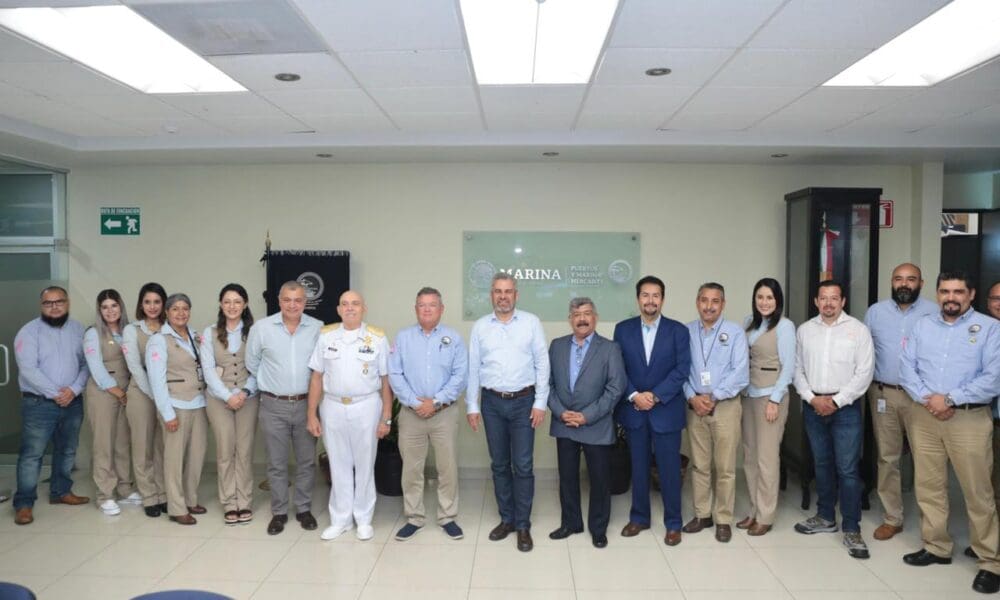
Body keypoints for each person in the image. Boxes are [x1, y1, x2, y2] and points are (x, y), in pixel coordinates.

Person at [900, 272, 1000, 594]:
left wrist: (950, 399)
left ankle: (990, 561)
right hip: (925, 415)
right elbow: (906, 367)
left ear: (971, 295)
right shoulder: (922, 326)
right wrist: (928, 399)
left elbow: (994, 377)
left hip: (968, 419)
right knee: (929, 485)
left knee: (977, 492)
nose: (951, 297)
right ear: (937, 294)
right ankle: (936, 546)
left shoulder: (991, 329)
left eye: (958, 292)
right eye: (945, 291)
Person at [467, 272, 550, 552]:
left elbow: (542, 363)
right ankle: (507, 519)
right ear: (491, 295)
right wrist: (472, 405)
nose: (503, 296)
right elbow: (473, 367)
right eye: (498, 291)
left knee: (523, 465)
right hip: (491, 403)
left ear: (516, 295)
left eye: (508, 291)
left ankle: (523, 525)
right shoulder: (480, 326)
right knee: (499, 464)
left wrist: (540, 402)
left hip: (524, 402)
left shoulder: (531, 322)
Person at [792, 280, 874, 559]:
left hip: (846, 409)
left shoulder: (858, 330)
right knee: (822, 463)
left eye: (834, 298)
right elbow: (797, 370)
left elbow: (864, 373)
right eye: (823, 298)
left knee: (848, 469)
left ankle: (852, 528)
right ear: (816, 301)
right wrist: (811, 398)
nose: (828, 303)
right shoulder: (805, 330)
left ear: (843, 301)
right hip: (813, 406)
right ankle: (825, 516)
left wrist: (836, 401)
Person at [307, 290, 393, 541]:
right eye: (344, 304)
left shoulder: (377, 338)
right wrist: (311, 414)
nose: (350, 308)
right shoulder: (326, 336)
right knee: (337, 463)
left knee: (365, 464)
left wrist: (386, 417)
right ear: (338, 309)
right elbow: (316, 377)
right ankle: (340, 519)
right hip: (332, 406)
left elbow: (386, 381)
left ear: (364, 308)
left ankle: (364, 519)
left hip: (366, 405)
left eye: (355, 304)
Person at [613, 275, 691, 546]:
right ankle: (639, 518)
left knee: (670, 470)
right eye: (645, 295)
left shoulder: (678, 331)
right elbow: (618, 368)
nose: (650, 300)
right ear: (638, 299)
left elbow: (682, 369)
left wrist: (655, 396)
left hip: (666, 410)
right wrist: (635, 395)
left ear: (663, 299)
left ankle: (673, 523)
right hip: (634, 409)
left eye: (655, 295)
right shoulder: (623, 330)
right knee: (638, 468)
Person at [388, 287, 468, 541]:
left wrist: (435, 402)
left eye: (432, 305)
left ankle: (447, 517)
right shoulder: (403, 338)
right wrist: (415, 403)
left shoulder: (454, 338)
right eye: (422, 305)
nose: (427, 309)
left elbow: (460, 376)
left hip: (444, 413)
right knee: (411, 469)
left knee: (447, 468)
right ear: (415, 309)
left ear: (441, 309)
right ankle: (414, 517)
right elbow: (395, 374)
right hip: (411, 415)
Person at [863, 263, 937, 541]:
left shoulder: (934, 312)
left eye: (911, 279)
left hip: (922, 397)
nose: (904, 284)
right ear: (891, 282)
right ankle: (892, 518)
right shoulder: (875, 312)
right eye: (898, 279)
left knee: (927, 460)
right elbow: (864, 351)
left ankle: (932, 524)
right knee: (887, 457)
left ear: (921, 283)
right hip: (884, 393)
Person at [547, 297, 626, 549]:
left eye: (587, 313)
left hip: (596, 424)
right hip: (564, 423)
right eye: (576, 314)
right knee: (567, 478)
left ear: (595, 318)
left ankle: (598, 528)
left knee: (600, 480)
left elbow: (616, 388)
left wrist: (587, 416)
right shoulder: (557, 346)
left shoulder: (610, 348)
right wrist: (561, 412)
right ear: (570, 319)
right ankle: (571, 523)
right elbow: (547, 384)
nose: (582, 318)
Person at [245, 281, 322, 535]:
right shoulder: (262, 328)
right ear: (279, 301)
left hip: (306, 405)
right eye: (287, 300)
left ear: (305, 302)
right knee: (276, 463)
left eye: (298, 300)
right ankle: (278, 512)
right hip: (273, 405)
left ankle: (303, 509)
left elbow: (321, 368)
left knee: (306, 462)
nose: (292, 305)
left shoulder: (317, 328)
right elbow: (252, 363)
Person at [12, 286, 90, 526]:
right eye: (48, 303)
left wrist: (74, 390)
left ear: (67, 303)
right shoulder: (28, 332)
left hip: (72, 402)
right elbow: (28, 369)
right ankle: (24, 504)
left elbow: (86, 364)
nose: (54, 306)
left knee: (67, 450)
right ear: (41, 305)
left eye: (59, 301)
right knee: (32, 455)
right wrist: (57, 394)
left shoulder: (78, 330)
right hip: (38, 403)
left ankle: (61, 492)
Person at [682, 283, 748, 543]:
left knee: (725, 467)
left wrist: (714, 396)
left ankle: (723, 519)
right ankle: (702, 515)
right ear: (697, 302)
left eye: (715, 301)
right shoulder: (686, 331)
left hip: (725, 406)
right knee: (699, 465)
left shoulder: (735, 333)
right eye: (704, 300)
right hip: (695, 406)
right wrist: (692, 396)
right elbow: (680, 369)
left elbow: (740, 372)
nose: (709, 306)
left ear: (723, 304)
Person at [738, 277, 796, 537]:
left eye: (769, 298)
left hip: (770, 397)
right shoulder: (748, 323)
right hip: (749, 396)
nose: (764, 302)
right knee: (750, 456)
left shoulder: (785, 326)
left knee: (767, 458)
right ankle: (754, 510)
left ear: (777, 300)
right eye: (760, 297)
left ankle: (766, 515)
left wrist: (775, 399)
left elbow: (789, 366)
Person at [147, 293, 209, 525]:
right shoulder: (159, 340)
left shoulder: (194, 335)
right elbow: (156, 380)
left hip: (198, 403)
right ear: (166, 312)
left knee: (196, 456)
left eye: (185, 308)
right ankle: (176, 506)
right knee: (174, 460)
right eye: (175, 309)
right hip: (175, 405)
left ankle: (191, 499)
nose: (181, 313)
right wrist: (167, 413)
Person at [201, 284, 258, 525]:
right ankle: (229, 502)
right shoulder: (210, 332)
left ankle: (244, 500)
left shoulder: (254, 332)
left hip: (248, 398)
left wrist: (244, 392)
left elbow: (260, 367)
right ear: (220, 304)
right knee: (225, 451)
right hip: (218, 399)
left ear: (245, 304)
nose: (232, 306)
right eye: (227, 301)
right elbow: (207, 369)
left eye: (237, 301)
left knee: (244, 451)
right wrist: (227, 396)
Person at [83, 288, 141, 516]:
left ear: (121, 307)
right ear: (99, 310)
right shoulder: (93, 333)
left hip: (127, 391)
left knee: (122, 442)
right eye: (105, 307)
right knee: (104, 443)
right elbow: (95, 367)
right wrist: (117, 391)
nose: (110, 311)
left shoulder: (128, 330)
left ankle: (125, 488)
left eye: (114, 305)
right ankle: (105, 494)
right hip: (104, 393)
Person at [121, 282, 169, 517]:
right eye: (147, 302)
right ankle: (149, 496)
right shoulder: (132, 330)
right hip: (141, 392)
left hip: (167, 395)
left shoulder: (170, 328)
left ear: (164, 304)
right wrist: (155, 394)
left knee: (163, 447)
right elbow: (134, 367)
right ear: (141, 304)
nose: (152, 306)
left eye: (157, 302)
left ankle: (163, 494)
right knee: (143, 446)